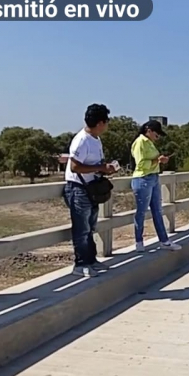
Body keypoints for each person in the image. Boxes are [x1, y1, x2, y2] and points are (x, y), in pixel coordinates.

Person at [63, 104, 118, 277]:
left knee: (90, 226)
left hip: (90, 187)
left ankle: (91, 260)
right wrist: (101, 167)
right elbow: (74, 166)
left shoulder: (95, 139)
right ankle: (80, 264)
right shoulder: (82, 140)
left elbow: (93, 164)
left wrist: (105, 168)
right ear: (100, 122)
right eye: (107, 121)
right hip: (78, 188)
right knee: (82, 228)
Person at [130, 120, 182, 252]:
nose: (157, 137)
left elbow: (151, 162)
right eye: (157, 134)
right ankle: (139, 241)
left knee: (158, 211)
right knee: (141, 212)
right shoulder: (140, 142)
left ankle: (164, 240)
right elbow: (140, 163)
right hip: (142, 178)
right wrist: (157, 160)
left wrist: (160, 160)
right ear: (149, 130)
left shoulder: (150, 143)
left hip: (153, 177)